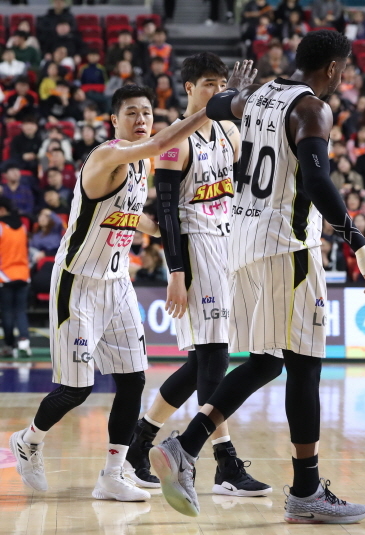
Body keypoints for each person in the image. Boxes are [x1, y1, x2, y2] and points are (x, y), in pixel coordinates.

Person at [149, 33, 365, 522]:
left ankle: (185, 446)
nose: (343, 77)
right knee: (305, 366)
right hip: (287, 247)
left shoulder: (256, 95)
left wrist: (232, 93)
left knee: (265, 362)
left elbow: (217, 105)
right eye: (343, 69)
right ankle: (305, 492)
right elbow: (318, 180)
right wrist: (361, 246)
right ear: (332, 67)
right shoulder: (312, 109)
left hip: (242, 245)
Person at [8, 84, 213, 501]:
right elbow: (159, 144)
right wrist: (209, 111)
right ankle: (28, 441)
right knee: (76, 389)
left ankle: (112, 475)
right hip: (78, 282)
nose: (141, 120)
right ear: (114, 121)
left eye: (147, 113)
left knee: (133, 381)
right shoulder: (107, 155)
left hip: (117, 285)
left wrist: (166, 228)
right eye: (132, 113)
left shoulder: (139, 165)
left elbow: (131, 215)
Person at [126, 52, 269, 497]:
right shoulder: (175, 141)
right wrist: (176, 272)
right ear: (189, 88)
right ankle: (224, 463)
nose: (217, 91)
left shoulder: (228, 132)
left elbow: (245, 187)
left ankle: (139, 443)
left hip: (228, 248)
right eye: (209, 84)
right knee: (215, 357)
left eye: (222, 85)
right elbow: (167, 214)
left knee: (198, 364)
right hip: (196, 250)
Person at [0, 197, 31, 358]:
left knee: (7, 312)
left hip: (5, 275)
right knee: (20, 311)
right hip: (23, 274)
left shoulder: (1, 226)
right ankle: (24, 342)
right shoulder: (22, 227)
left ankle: (9, 345)